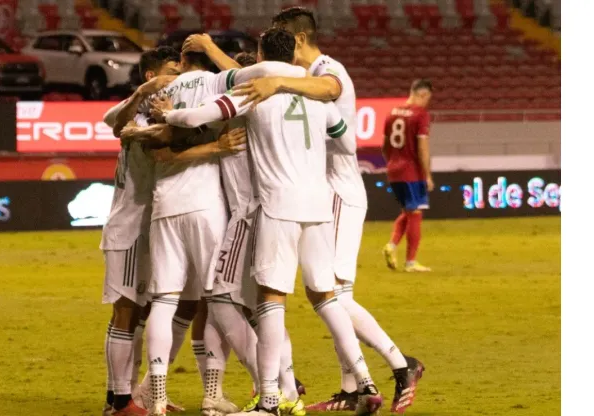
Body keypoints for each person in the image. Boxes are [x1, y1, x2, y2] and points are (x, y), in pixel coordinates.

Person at [189, 7, 425, 414]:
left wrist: (277, 80)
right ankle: (355, 387)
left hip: (332, 189)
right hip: (321, 190)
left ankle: (400, 365)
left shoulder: (328, 69)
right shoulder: (295, 77)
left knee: (329, 295)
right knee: (327, 295)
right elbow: (253, 81)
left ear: (296, 39)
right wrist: (260, 75)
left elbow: (328, 90)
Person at [121, 45, 310, 416]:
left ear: (183, 62)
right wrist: (214, 145)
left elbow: (147, 141)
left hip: (166, 207)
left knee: (166, 301)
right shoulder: (219, 86)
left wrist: (150, 109)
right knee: (223, 300)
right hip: (215, 208)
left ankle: (154, 395)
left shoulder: (163, 93)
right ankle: (258, 388)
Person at [100, 46, 183, 416]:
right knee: (126, 312)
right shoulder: (135, 116)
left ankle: (125, 395)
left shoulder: (168, 113)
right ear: (152, 76)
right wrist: (140, 96)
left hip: (154, 227)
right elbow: (112, 121)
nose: (178, 76)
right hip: (130, 227)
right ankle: (119, 402)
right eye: (171, 71)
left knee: (142, 314)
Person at [381, 79, 435, 273]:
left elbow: (384, 145)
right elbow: (422, 147)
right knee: (416, 214)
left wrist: (392, 162)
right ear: (423, 94)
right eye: (428, 98)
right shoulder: (420, 115)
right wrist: (427, 174)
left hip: (394, 170)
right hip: (412, 172)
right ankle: (411, 262)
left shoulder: (392, 112)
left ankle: (391, 245)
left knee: (407, 211)